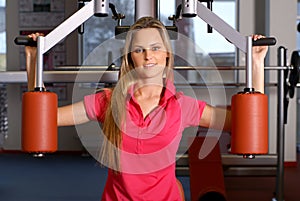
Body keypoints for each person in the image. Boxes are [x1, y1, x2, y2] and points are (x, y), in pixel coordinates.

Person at [25, 17, 268, 201]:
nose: (148, 56)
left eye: (155, 48)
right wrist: (33, 62)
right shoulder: (109, 101)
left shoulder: (182, 105)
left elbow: (246, 124)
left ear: (166, 55)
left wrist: (256, 64)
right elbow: (43, 119)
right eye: (139, 50)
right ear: (130, 57)